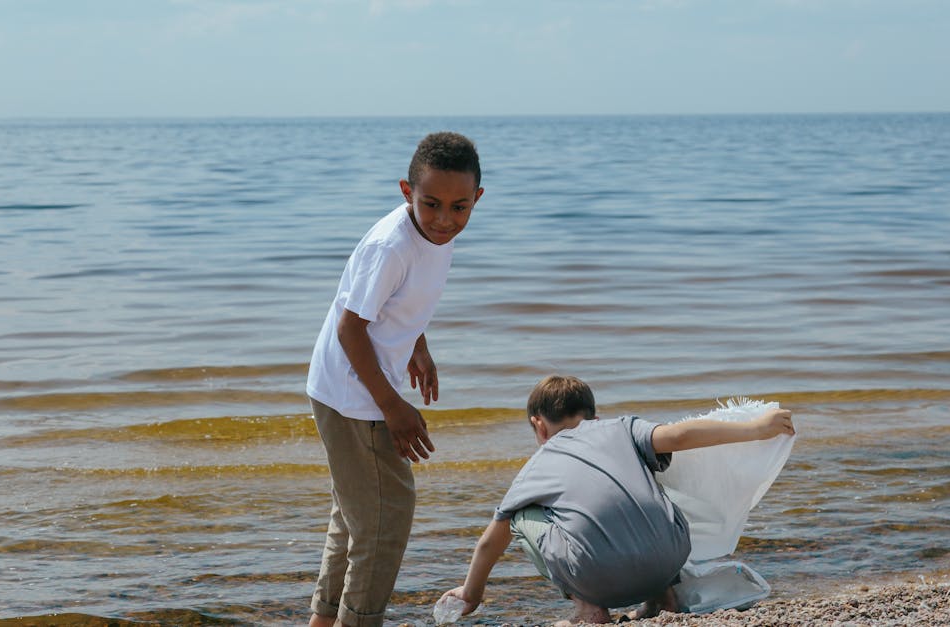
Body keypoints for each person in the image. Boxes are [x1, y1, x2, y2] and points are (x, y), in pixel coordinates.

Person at [438, 375, 795, 625]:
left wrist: (472, 594)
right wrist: (757, 429)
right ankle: (663, 597)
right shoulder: (622, 428)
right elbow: (681, 434)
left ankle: (589, 610)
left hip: (599, 580)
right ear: (595, 415)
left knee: (517, 515)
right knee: (647, 481)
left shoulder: (538, 465)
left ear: (538, 426)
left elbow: (490, 541)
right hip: (669, 557)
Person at [305, 132, 483, 627]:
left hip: (355, 387)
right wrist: (394, 407)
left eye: (459, 207)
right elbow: (350, 326)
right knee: (384, 520)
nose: (446, 219)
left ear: (477, 200)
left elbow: (396, 303)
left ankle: (324, 621)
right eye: (431, 204)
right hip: (352, 396)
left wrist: (417, 344)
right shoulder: (392, 246)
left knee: (355, 517)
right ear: (407, 192)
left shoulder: (435, 236)